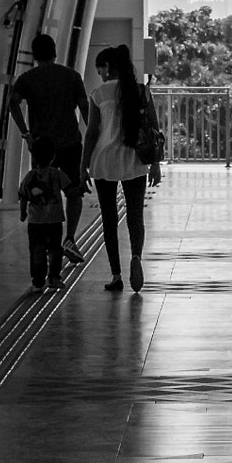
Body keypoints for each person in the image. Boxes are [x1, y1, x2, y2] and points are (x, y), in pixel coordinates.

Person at [7, 34, 87, 262]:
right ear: (55, 52)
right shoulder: (71, 76)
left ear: (34, 55)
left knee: (43, 194)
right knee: (73, 191)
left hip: (41, 147)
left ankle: (45, 241)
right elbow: (84, 106)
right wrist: (93, 136)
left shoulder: (27, 78)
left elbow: (13, 103)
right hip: (70, 143)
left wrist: (26, 133)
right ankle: (70, 237)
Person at [86, 44, 158, 293]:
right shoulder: (140, 91)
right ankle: (136, 256)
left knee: (109, 218)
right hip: (135, 160)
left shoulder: (98, 94)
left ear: (109, 68)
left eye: (101, 69)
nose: (100, 74)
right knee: (135, 216)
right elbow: (153, 131)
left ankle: (116, 275)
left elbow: (92, 133)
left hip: (104, 159)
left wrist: (84, 165)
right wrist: (155, 165)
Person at [17, 141, 72, 291]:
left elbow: (23, 196)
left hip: (35, 221)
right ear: (53, 156)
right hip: (54, 220)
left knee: (36, 249)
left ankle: (38, 280)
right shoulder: (57, 174)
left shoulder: (29, 176)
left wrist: (23, 213)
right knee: (55, 249)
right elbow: (69, 189)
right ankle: (54, 277)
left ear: (33, 157)